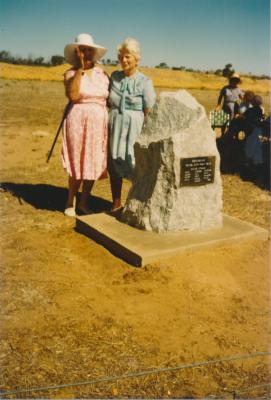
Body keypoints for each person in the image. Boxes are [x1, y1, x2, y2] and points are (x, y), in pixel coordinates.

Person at [61, 33, 109, 217]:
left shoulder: (102, 74)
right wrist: (80, 70)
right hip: (77, 121)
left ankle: (83, 202)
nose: (86, 53)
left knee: (93, 161)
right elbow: (73, 96)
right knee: (77, 160)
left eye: (89, 49)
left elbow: (109, 98)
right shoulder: (71, 74)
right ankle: (70, 201)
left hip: (98, 122)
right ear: (77, 52)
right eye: (83, 49)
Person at [108, 37, 156, 211]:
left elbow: (149, 110)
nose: (124, 60)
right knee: (114, 162)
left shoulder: (145, 82)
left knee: (134, 163)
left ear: (137, 58)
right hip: (115, 125)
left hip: (135, 127)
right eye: (121, 56)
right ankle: (116, 202)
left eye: (128, 56)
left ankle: (136, 202)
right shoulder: (114, 77)